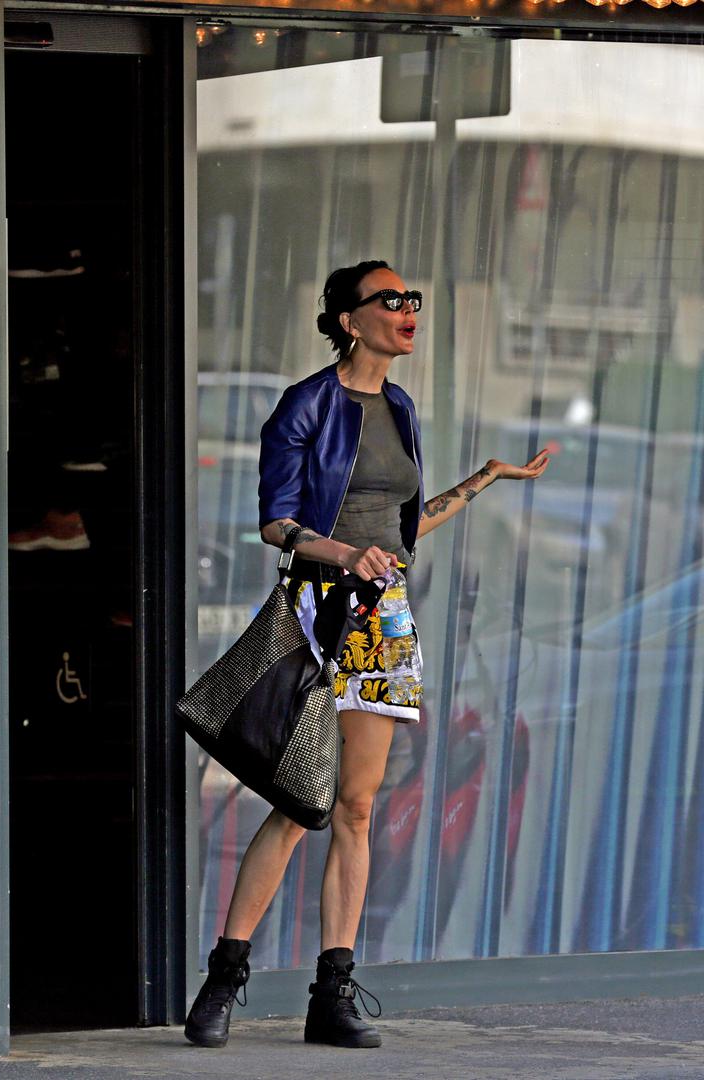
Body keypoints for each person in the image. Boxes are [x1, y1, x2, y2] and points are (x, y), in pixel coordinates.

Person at [185, 259, 550, 1051]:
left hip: (384, 619)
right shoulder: (308, 404)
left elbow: (399, 533)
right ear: (350, 321)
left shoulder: (401, 407)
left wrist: (484, 479)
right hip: (321, 611)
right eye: (390, 299)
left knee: (357, 807)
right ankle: (224, 978)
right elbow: (277, 522)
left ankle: (333, 993)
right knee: (298, 803)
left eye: (410, 297)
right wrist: (344, 553)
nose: (407, 308)